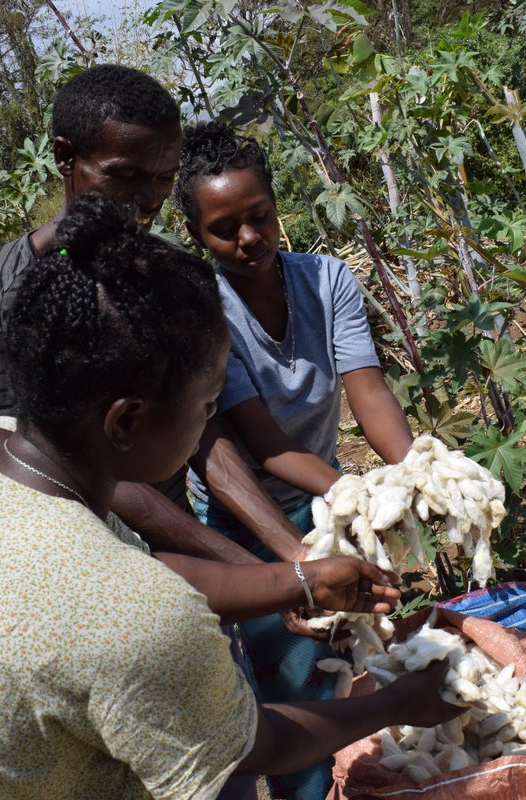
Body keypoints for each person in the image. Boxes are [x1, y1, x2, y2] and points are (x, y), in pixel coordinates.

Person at [0, 194, 461, 800]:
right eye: (207, 403)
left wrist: (297, 581)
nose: (210, 422)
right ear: (125, 421)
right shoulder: (135, 622)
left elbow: (126, 579)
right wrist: (400, 701)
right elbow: (255, 744)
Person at [0, 64, 324, 635]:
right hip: (96, 575)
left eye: (163, 178)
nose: (148, 199)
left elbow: (201, 427)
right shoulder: (12, 295)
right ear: (65, 157)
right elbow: (60, 467)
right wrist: (260, 573)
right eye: (126, 175)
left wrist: (289, 555)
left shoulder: (152, 266)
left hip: (178, 539)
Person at [174, 121, 418, 800]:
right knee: (288, 686)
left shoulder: (326, 280)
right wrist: (356, 499)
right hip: (242, 516)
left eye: (260, 216)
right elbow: (262, 444)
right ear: (196, 233)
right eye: (225, 229)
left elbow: (367, 389)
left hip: (319, 502)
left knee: (335, 664)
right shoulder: (204, 309)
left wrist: (416, 475)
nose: (249, 238)